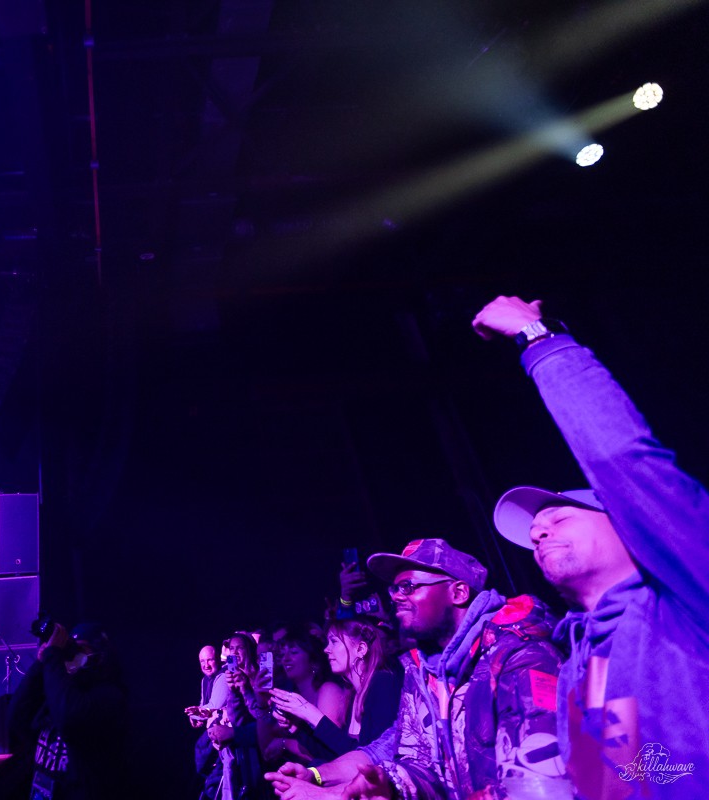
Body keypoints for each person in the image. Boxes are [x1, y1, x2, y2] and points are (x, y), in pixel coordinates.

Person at [473, 295, 709, 798]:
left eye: (556, 515)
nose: (537, 533)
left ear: (625, 520)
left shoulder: (688, 595)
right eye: (534, 532)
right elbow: (625, 781)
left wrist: (539, 338)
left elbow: (624, 460)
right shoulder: (578, 662)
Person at [268, 538, 570, 800]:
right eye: (394, 589)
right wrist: (322, 777)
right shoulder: (423, 672)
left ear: (459, 593)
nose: (396, 596)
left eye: (408, 586)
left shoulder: (518, 657)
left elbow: (535, 787)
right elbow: (406, 755)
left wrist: (337, 794)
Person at [8, 621, 127, 800]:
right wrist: (40, 665)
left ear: (101, 656)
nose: (72, 655)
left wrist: (53, 658)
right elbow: (17, 718)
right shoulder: (61, 692)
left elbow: (69, 718)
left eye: (81, 649)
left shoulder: (110, 697)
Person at [269, 616, 398, 754]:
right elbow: (337, 755)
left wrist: (310, 713)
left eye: (334, 642)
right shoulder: (353, 693)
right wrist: (297, 730)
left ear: (360, 649)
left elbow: (370, 757)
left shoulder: (382, 683)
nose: (326, 649)